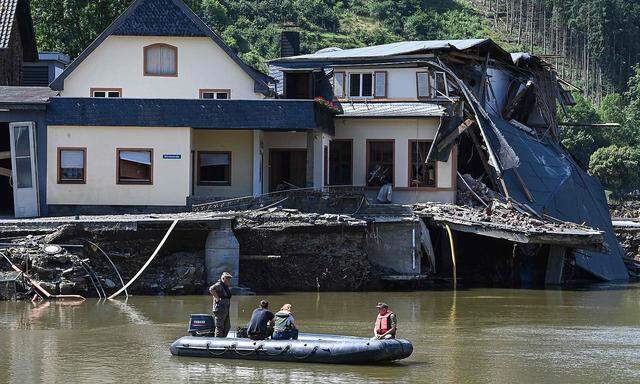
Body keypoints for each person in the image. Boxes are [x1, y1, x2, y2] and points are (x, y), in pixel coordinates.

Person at [209, 272, 232, 337]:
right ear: (223, 278)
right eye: (227, 278)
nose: (229, 280)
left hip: (226, 310)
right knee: (220, 327)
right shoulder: (219, 284)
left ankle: (223, 339)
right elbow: (211, 289)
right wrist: (217, 298)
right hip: (220, 309)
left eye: (229, 279)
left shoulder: (226, 286)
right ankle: (217, 341)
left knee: (227, 326)